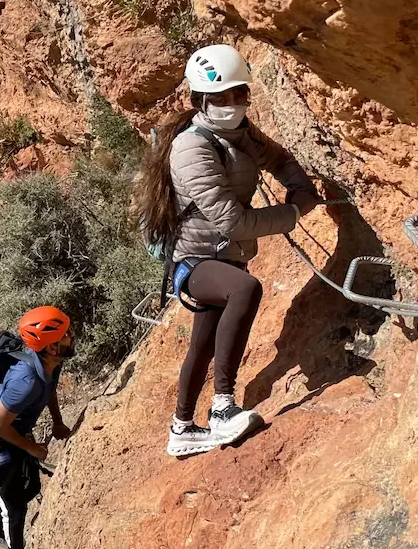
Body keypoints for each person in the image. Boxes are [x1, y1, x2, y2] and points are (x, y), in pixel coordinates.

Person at [136, 44, 321, 457]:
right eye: (221, 97)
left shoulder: (242, 131)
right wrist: (292, 211)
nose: (232, 103)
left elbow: (278, 157)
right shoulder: (191, 147)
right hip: (195, 259)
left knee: (201, 344)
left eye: (239, 94)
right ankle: (222, 408)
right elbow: (231, 221)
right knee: (245, 289)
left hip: (227, 254)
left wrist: (299, 184)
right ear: (200, 99)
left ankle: (182, 429)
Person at [0, 306, 74, 549]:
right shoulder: (25, 381)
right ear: (52, 348)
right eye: (67, 335)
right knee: (14, 508)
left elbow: (50, 388)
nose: (72, 337)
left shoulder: (51, 362)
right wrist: (31, 448)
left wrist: (57, 421)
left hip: (11, 430)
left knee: (27, 488)